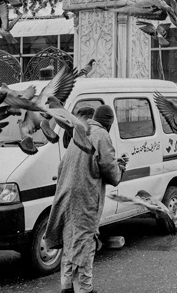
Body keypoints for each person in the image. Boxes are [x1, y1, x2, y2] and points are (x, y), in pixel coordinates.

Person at [46, 104, 128, 293]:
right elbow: (112, 174)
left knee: (69, 242)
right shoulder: (102, 135)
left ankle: (67, 287)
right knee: (85, 244)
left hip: (66, 196)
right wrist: (120, 168)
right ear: (108, 124)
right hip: (84, 199)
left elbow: (67, 164)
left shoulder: (79, 130)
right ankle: (85, 289)